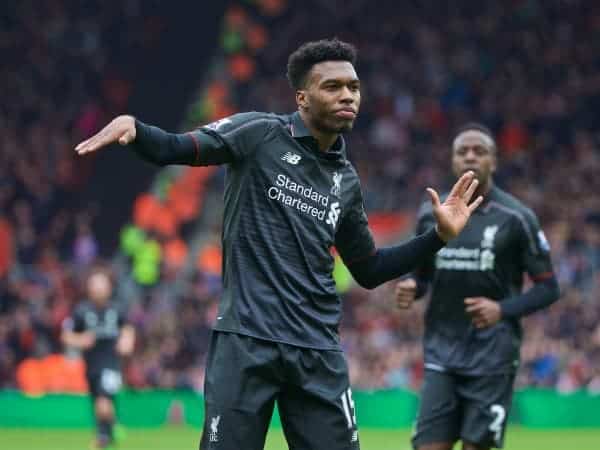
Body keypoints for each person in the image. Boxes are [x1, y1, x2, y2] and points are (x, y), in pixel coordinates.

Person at [75, 38, 482, 450]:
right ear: (303, 98)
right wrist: (136, 129)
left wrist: (437, 238)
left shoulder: (346, 181)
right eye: (333, 86)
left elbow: (370, 268)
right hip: (246, 342)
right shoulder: (259, 133)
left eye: (354, 87)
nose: (348, 95)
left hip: (317, 351)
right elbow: (180, 148)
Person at [394, 123, 561, 450]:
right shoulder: (432, 214)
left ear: (494, 162)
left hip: (492, 356)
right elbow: (423, 274)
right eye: (462, 151)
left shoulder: (516, 217)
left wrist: (502, 310)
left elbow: (549, 287)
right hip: (441, 353)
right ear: (453, 160)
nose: (470, 156)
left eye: (479, 151)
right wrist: (412, 285)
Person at [62, 266, 135, 449]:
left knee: (104, 400)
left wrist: (127, 341)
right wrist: (80, 340)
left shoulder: (117, 309)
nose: (98, 289)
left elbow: (128, 328)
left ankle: (103, 436)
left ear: (109, 287)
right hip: (91, 365)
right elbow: (66, 335)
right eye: (95, 285)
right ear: (89, 288)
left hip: (111, 363)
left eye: (102, 285)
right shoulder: (81, 311)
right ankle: (110, 430)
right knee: (99, 401)